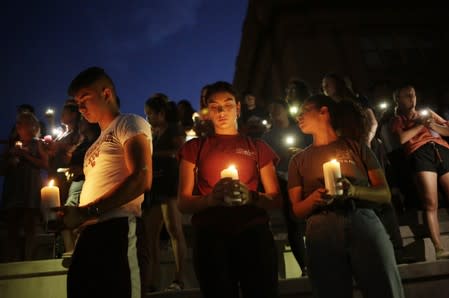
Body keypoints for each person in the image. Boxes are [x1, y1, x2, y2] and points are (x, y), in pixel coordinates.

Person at [288, 94, 404, 298]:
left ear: (324, 112)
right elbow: (297, 210)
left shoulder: (357, 148)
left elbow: (384, 194)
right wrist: (315, 198)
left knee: (384, 287)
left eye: (304, 111)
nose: (298, 116)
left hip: (362, 220)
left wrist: (353, 191)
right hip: (321, 227)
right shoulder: (298, 160)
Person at [177, 81, 282, 298]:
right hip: (211, 238)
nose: (222, 111)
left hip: (253, 235)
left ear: (238, 108)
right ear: (207, 112)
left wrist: (251, 196)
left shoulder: (258, 147)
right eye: (214, 106)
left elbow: (276, 199)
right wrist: (210, 200)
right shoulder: (194, 148)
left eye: (228, 104)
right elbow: (184, 202)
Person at [56, 66, 153, 298]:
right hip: (88, 234)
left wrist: (88, 211)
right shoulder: (91, 148)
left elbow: (141, 177)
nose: (80, 108)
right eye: (76, 102)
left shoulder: (129, 123)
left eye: (85, 99)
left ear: (106, 94)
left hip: (118, 229)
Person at [391, 84, 449, 259]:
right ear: (398, 100)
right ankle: (438, 248)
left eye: (413, 94)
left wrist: (433, 125)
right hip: (420, 153)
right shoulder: (398, 119)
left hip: (440, 149)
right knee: (431, 202)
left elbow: (447, 129)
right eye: (407, 95)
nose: (412, 98)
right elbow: (402, 138)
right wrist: (420, 125)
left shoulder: (427, 112)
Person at [142, 93, 187, 292]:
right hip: (155, 185)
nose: (148, 118)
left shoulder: (174, 129)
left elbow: (180, 153)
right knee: (150, 235)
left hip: (170, 182)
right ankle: (153, 279)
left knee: (174, 230)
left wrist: (153, 155)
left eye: (150, 114)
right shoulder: (153, 133)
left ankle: (179, 278)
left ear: (161, 113)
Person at [262, 99, 311, 276]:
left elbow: (313, 150)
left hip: (305, 178)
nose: (274, 115)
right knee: (293, 223)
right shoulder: (267, 137)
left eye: (277, 110)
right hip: (282, 180)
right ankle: (305, 266)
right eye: (271, 112)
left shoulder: (301, 130)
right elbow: (266, 162)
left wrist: (301, 152)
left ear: (285, 111)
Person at [0, 112, 48, 261]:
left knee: (29, 225)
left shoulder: (38, 143)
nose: (18, 125)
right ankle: (13, 259)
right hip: (14, 190)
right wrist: (10, 160)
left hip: (30, 190)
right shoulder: (11, 146)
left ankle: (29, 259)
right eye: (18, 123)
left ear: (32, 126)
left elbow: (45, 164)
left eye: (23, 122)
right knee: (12, 226)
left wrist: (24, 155)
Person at [60, 116, 101, 265]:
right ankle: (72, 251)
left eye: (83, 120)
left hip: (85, 183)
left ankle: (77, 252)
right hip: (75, 183)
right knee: (65, 216)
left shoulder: (96, 142)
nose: (80, 123)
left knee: (75, 215)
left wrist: (79, 170)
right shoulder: (83, 142)